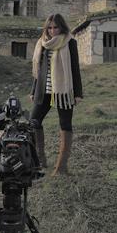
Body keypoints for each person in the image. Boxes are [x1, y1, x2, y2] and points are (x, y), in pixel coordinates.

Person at [30, 13, 83, 176]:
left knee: (65, 125)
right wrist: (33, 90)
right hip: (43, 91)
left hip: (63, 91)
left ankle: (61, 168)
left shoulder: (70, 42)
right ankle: (39, 160)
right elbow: (38, 70)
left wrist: (78, 93)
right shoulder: (42, 43)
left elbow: (75, 69)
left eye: (55, 27)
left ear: (62, 27)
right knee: (33, 122)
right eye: (50, 27)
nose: (52, 31)